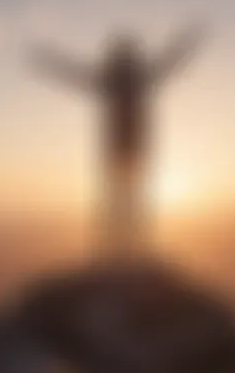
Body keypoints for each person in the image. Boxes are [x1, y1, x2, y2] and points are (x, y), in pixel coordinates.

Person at [29, 24, 204, 261]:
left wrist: (47, 61)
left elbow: (73, 73)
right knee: (130, 200)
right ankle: (129, 249)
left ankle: (118, 250)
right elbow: (170, 60)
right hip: (133, 150)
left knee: (119, 200)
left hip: (119, 152)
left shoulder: (113, 81)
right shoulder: (137, 78)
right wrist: (189, 40)